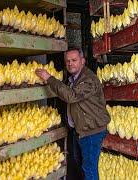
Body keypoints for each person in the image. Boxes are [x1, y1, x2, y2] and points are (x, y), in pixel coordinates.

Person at [35, 49, 110, 180]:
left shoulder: (88, 79)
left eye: (74, 60)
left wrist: (49, 78)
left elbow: (71, 96)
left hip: (92, 132)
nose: (70, 64)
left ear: (82, 61)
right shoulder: (74, 79)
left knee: (89, 168)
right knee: (81, 164)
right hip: (80, 130)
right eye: (68, 61)